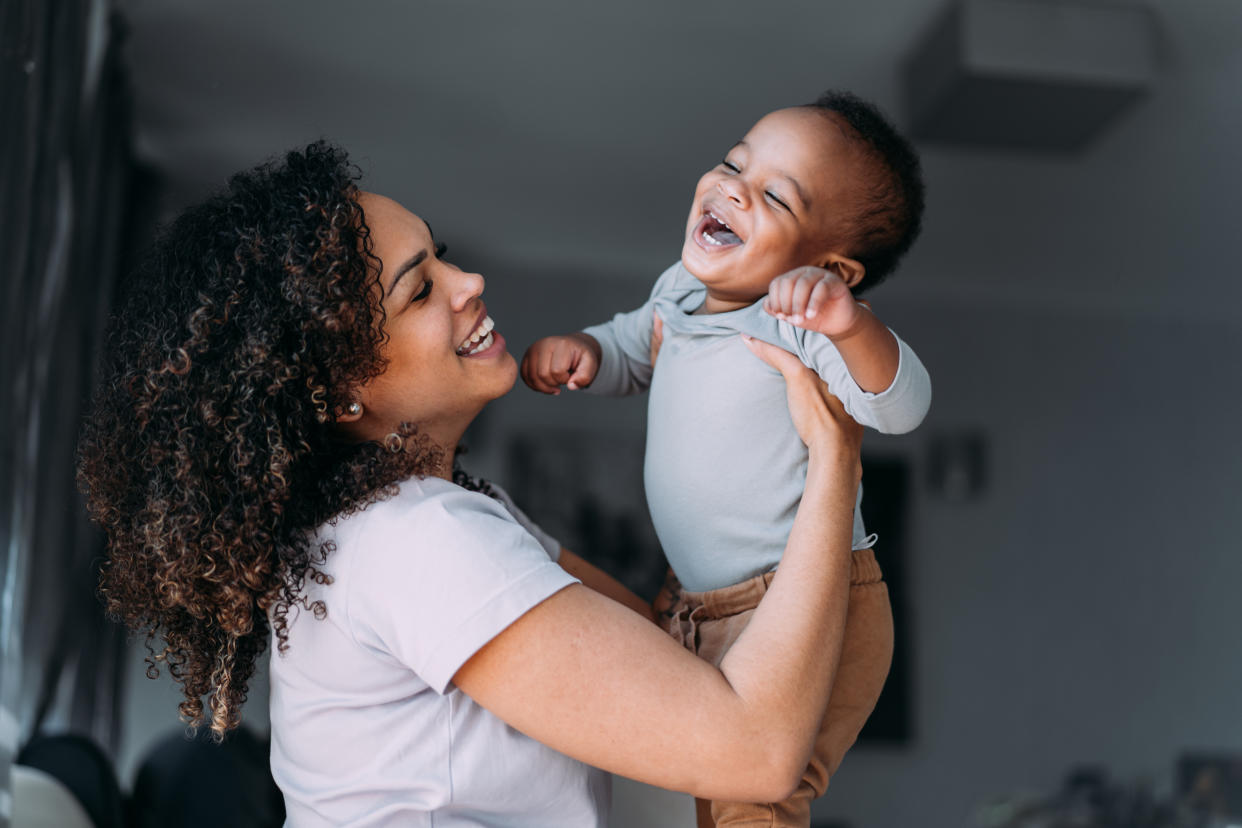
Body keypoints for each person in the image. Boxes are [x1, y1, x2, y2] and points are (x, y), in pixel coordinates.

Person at [77, 142, 868, 827]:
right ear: (339, 389)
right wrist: (833, 459)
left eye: (441, 253)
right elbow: (756, 751)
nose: (469, 281)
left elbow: (670, 650)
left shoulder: (425, 517)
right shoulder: (415, 541)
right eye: (419, 289)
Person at [521, 90, 930, 826]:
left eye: (775, 195)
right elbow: (629, 349)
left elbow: (899, 407)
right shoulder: (676, 292)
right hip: (699, 603)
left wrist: (849, 324)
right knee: (692, 788)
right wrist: (586, 350)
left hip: (806, 602)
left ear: (831, 268)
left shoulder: (799, 322)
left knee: (756, 795)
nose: (733, 186)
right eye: (733, 162)